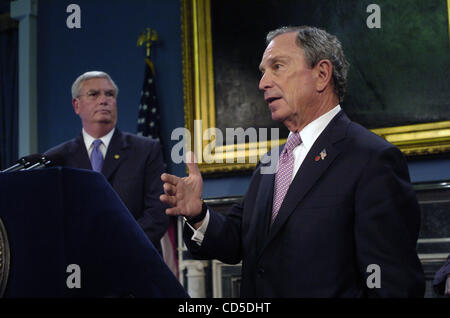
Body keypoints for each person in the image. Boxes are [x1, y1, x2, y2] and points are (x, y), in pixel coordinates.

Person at [160, 26, 425, 297]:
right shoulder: (271, 162)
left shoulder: (372, 159)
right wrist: (197, 215)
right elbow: (237, 241)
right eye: (263, 71)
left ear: (322, 74)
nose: (263, 83)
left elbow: (393, 285)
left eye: (277, 67)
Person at [45, 71, 168, 255]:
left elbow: (157, 213)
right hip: (78, 266)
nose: (104, 100)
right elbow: (52, 218)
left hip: (134, 260)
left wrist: (117, 245)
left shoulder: (146, 150)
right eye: (94, 94)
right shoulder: (56, 158)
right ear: (76, 105)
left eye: (110, 94)